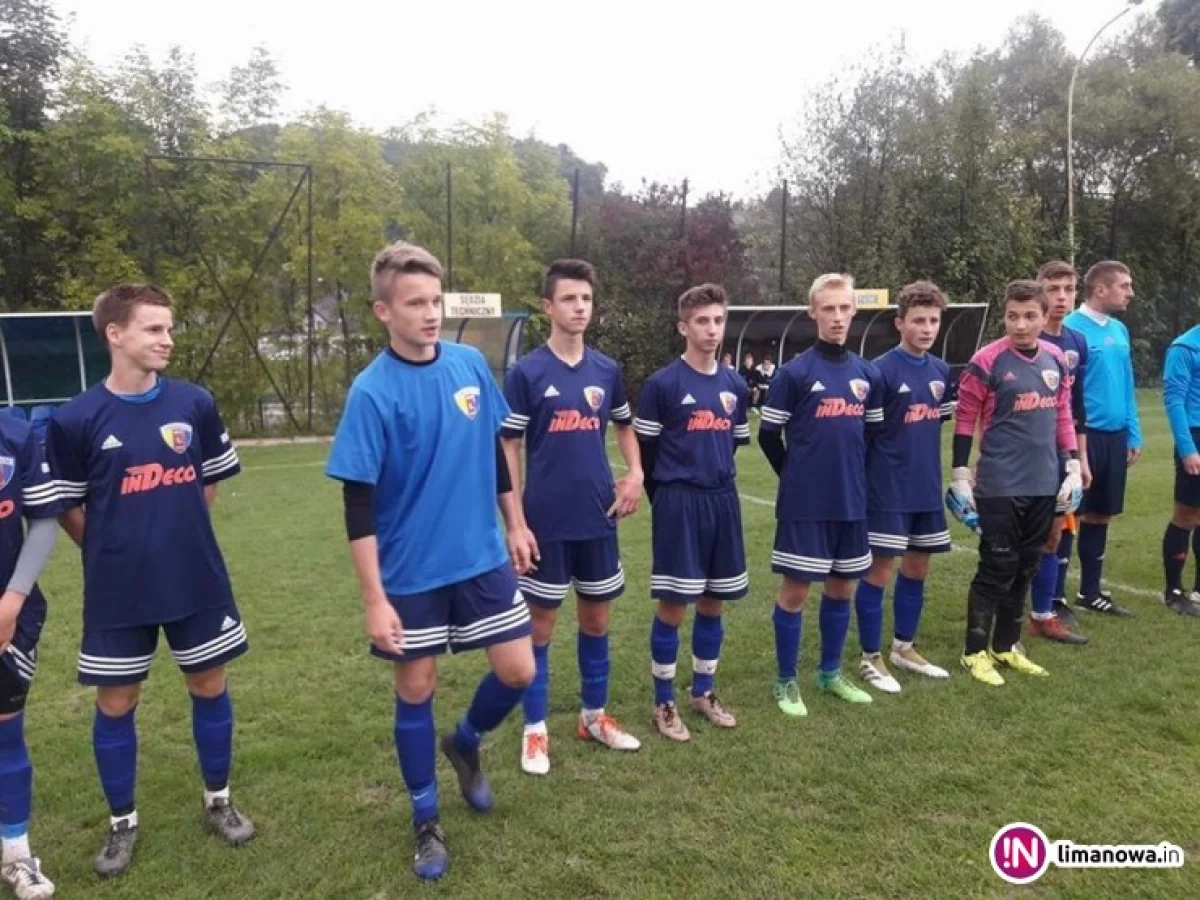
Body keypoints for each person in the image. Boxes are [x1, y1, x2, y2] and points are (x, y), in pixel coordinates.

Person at [325, 242, 535, 881]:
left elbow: (496, 453)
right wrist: (374, 599)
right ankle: (425, 820)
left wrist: (517, 522)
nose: (429, 313)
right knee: (415, 687)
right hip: (410, 571)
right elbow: (357, 507)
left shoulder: (471, 364)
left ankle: (466, 741)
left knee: (519, 671)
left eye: (435, 300)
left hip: (480, 558)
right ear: (383, 310)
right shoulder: (371, 392)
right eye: (415, 303)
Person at [44, 284, 254, 879]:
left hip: (195, 577)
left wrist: (173, 534)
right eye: (154, 329)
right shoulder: (74, 418)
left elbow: (206, 486)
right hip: (118, 590)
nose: (167, 339)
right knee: (117, 701)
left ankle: (218, 799)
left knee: (209, 686)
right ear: (115, 334)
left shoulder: (194, 403)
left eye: (169, 328)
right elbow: (69, 505)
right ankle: (122, 823)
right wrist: (115, 548)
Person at [501, 259, 644, 776]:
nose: (579, 307)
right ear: (548, 307)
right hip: (545, 522)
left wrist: (635, 474)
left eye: (585, 299)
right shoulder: (528, 374)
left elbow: (626, 426)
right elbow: (509, 445)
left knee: (597, 619)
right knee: (540, 626)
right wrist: (516, 519)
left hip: (597, 517)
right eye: (568, 299)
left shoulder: (606, 370)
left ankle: (592, 717)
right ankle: (535, 731)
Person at [759, 273, 882, 716]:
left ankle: (830, 673)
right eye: (827, 309)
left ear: (854, 311)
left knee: (842, 589)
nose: (836, 317)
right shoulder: (794, 374)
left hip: (851, 503)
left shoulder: (868, 374)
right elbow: (769, 436)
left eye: (843, 308)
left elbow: (873, 438)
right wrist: (795, 477)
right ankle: (786, 681)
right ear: (813, 313)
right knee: (796, 592)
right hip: (806, 504)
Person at [634, 283, 750, 741]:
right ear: (684, 326)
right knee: (674, 605)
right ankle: (663, 701)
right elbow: (646, 450)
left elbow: (734, 443)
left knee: (713, 601)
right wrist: (665, 498)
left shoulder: (734, 385)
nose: (711, 328)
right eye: (702, 320)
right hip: (678, 502)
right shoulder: (663, 384)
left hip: (722, 499)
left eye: (718, 320)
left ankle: (703, 690)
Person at [953, 280, 1081, 686]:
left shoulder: (1057, 360)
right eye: (1012, 316)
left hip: (1044, 482)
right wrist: (960, 474)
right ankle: (974, 652)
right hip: (999, 483)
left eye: (1029, 316)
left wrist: (1073, 464)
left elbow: (1062, 416)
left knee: (1026, 566)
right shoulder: (986, 361)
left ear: (1045, 317)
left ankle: (1006, 646)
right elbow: (964, 420)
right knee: (997, 567)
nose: (1021, 325)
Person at [854, 280, 955, 692]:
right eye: (918, 321)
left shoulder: (942, 371)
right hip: (887, 488)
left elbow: (938, 425)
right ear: (900, 323)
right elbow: (864, 435)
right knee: (880, 569)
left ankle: (903, 647)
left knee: (918, 567)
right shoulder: (878, 371)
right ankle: (870, 656)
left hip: (925, 486)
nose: (927, 328)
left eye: (933, 321)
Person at [0, 415, 65, 899]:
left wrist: (13, 600)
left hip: (6, 617)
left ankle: (17, 855)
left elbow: (43, 520)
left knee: (6, 734)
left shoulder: (14, 433)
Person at [1063, 261, 1140, 617]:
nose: (1130, 292)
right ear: (1100, 289)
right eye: (1124, 286)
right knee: (1070, 514)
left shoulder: (1120, 330)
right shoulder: (1070, 329)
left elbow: (1126, 383)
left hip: (1115, 435)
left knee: (1102, 514)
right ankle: (1054, 598)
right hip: (1084, 435)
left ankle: (1090, 591)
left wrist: (1132, 431)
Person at [1026, 261, 1091, 644]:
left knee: (1054, 533)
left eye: (1068, 289)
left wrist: (1080, 459)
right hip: (1020, 456)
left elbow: (1075, 408)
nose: (1061, 297)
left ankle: (1044, 613)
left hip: (1060, 454)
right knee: (1019, 537)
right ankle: (1011, 612)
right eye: (1053, 288)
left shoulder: (1077, 342)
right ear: (1039, 290)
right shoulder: (1020, 342)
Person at [1160, 323, 1200, 616]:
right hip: (1196, 435)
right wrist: (1187, 449)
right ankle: (1173, 591)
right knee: (1186, 515)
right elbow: (1174, 400)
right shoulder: (1184, 347)